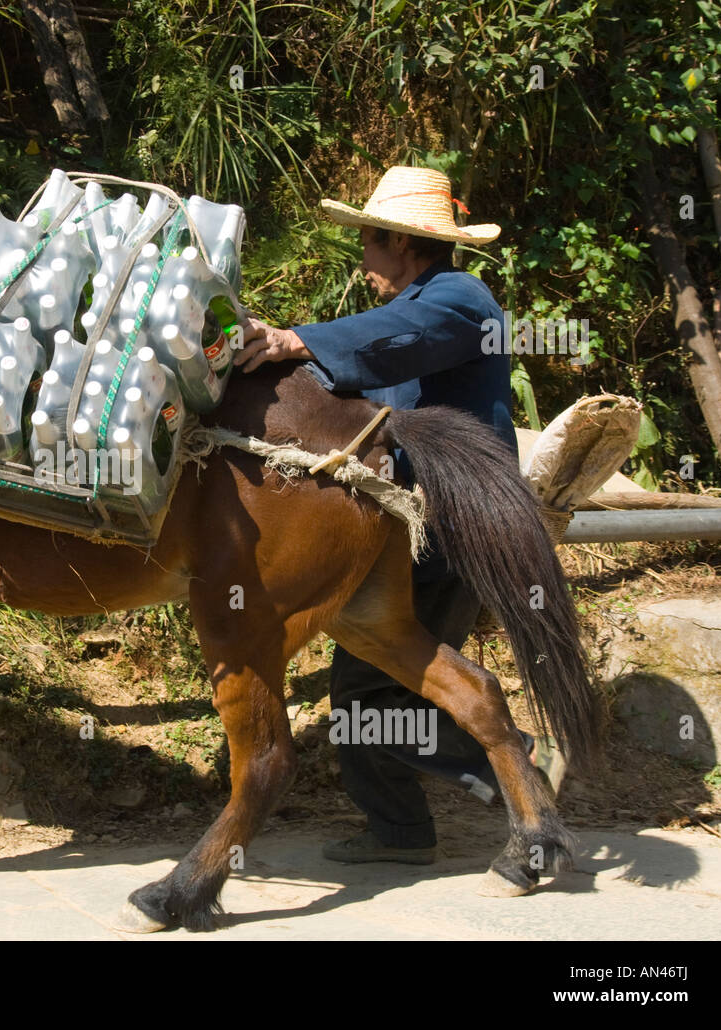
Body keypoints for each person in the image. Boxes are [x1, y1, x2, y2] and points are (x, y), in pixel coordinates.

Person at [235, 165, 560, 864]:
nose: (362, 263)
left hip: (453, 527)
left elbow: (389, 338)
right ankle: (405, 831)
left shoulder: (458, 302)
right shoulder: (408, 314)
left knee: (385, 689)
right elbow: (348, 380)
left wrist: (297, 337)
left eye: (370, 246)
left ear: (404, 246)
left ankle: (517, 763)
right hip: (403, 525)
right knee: (366, 691)